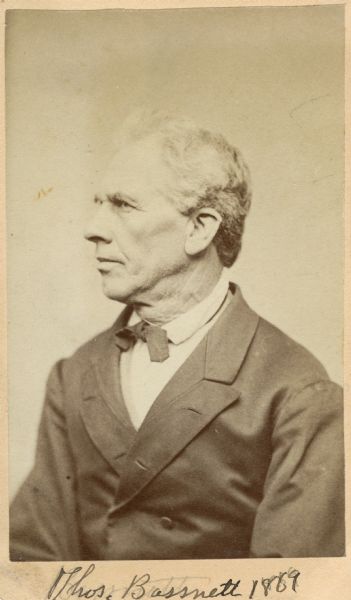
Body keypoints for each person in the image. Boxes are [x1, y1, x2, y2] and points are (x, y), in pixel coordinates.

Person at [10, 110, 344, 561]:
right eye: (97, 203)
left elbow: (294, 583)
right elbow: (33, 559)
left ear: (199, 229)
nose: (93, 229)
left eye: (123, 205)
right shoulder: (74, 375)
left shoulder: (297, 391)